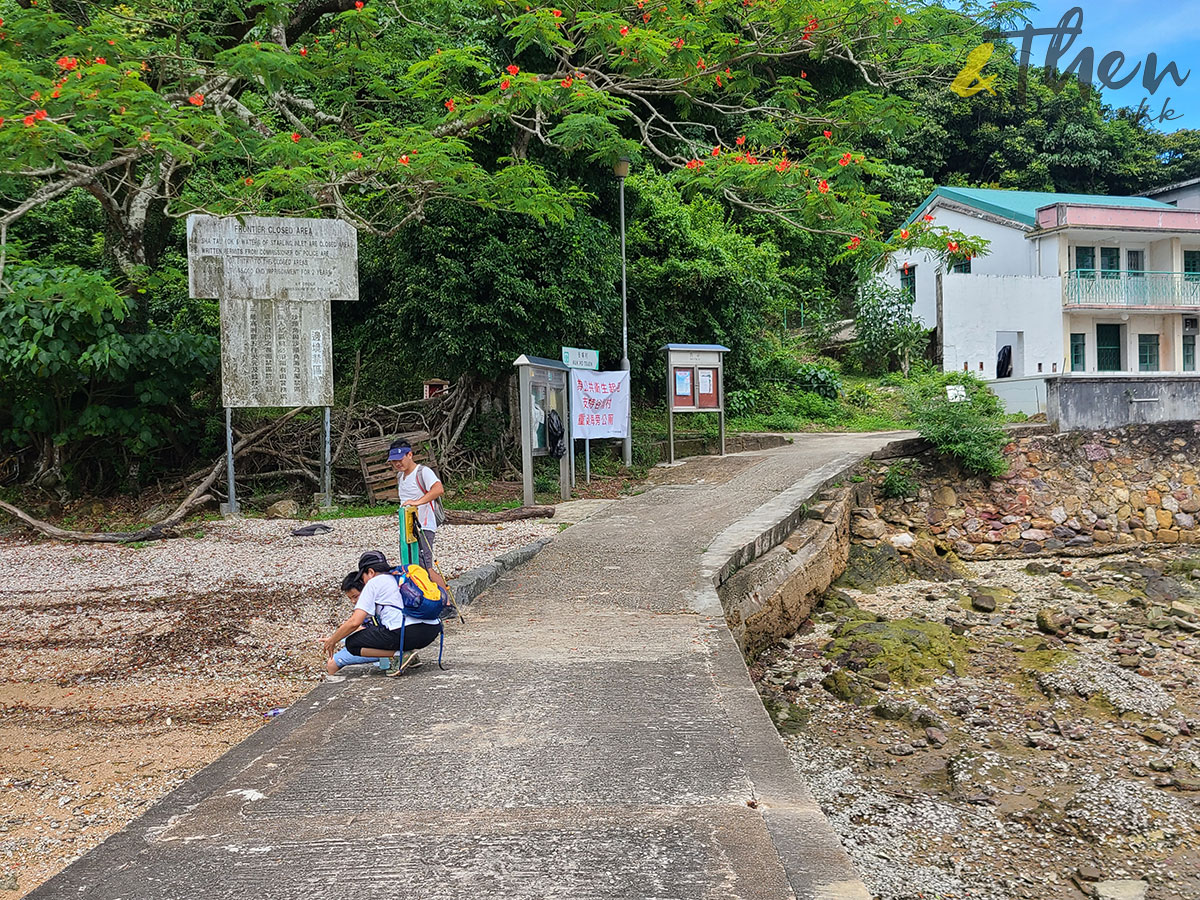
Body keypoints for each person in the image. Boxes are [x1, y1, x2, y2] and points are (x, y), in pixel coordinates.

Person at [321, 551, 442, 677]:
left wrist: (333, 640)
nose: (363, 581)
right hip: (431, 631)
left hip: (406, 633)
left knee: (352, 644)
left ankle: (400, 655)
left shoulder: (373, 583)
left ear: (371, 572)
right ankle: (408, 655)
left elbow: (355, 621)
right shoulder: (399, 577)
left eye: (363, 577)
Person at [388, 441, 447, 587]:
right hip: (407, 528)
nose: (397, 464)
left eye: (400, 459)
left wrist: (418, 502)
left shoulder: (423, 472)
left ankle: (446, 602)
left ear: (410, 454)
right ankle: (423, 598)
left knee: (426, 566)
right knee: (409, 564)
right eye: (394, 461)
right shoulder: (400, 477)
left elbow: (438, 489)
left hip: (424, 526)